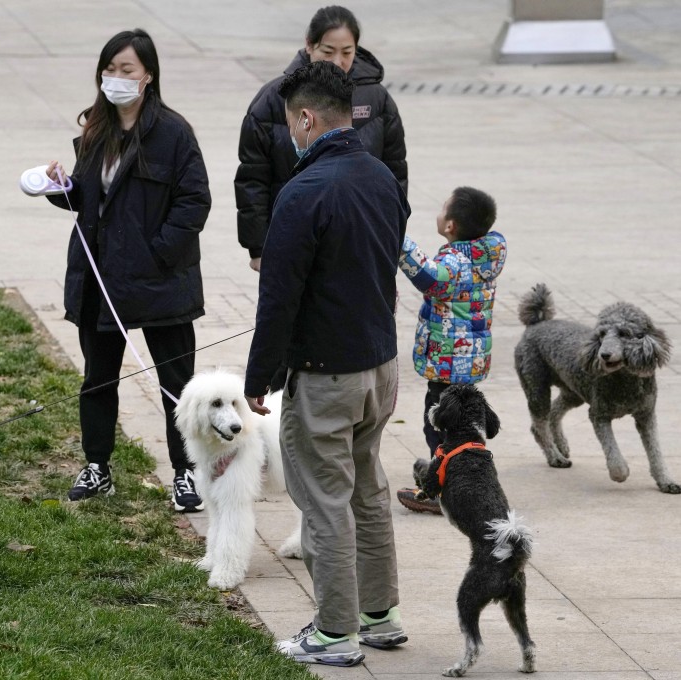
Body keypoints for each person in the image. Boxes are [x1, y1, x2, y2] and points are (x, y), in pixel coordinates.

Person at [244, 60, 409, 667]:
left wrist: (258, 378)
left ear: (307, 119)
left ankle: (335, 632)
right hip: (379, 366)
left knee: (324, 502)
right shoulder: (381, 178)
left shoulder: (304, 190)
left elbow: (278, 299)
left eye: (291, 122)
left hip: (326, 374)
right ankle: (380, 616)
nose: (291, 131)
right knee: (367, 489)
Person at [43, 29, 211, 512]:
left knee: (177, 384)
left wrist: (158, 253)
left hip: (161, 281)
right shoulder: (95, 129)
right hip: (100, 277)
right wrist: (58, 186)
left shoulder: (174, 133)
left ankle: (185, 472)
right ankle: (98, 466)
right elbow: (87, 199)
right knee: (98, 378)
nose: (116, 78)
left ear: (149, 76)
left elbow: (194, 201)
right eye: (110, 69)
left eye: (127, 70)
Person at [235, 5, 407, 273]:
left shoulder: (377, 100)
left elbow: (395, 172)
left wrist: (391, 234)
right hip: (294, 238)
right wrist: (258, 247)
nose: (338, 61)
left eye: (347, 52)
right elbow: (253, 179)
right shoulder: (273, 100)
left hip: (361, 240)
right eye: (328, 51)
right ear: (309, 45)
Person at [395, 187, 506, 515]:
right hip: (470, 360)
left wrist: (398, 238)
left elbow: (429, 277)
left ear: (450, 227)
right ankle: (464, 475)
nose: (439, 211)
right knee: (461, 422)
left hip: (449, 361)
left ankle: (437, 486)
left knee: (438, 423)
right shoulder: (485, 254)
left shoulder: (455, 262)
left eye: (443, 208)